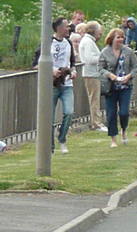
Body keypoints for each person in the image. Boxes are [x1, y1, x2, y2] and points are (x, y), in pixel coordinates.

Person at [99, 28, 137, 148]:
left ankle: (124, 130)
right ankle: (113, 138)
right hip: (111, 87)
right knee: (111, 114)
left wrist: (129, 76)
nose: (120, 39)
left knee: (124, 112)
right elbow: (100, 68)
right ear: (112, 39)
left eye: (122, 37)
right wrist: (110, 75)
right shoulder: (105, 52)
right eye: (118, 37)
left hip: (126, 86)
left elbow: (136, 67)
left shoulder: (128, 51)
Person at [44, 18, 76, 154]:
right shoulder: (47, 43)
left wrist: (73, 71)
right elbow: (35, 63)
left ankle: (62, 139)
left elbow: (72, 62)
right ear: (58, 28)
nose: (68, 29)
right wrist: (51, 70)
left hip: (67, 84)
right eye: (66, 27)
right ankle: (49, 147)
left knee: (69, 112)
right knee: (48, 118)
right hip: (52, 85)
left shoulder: (68, 43)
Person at [79, 21, 105, 131]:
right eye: (99, 31)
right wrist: (103, 58)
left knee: (95, 98)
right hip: (91, 74)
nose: (100, 34)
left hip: (93, 73)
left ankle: (97, 121)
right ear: (94, 31)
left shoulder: (88, 41)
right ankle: (96, 123)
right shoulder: (88, 42)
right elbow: (89, 59)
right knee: (94, 99)